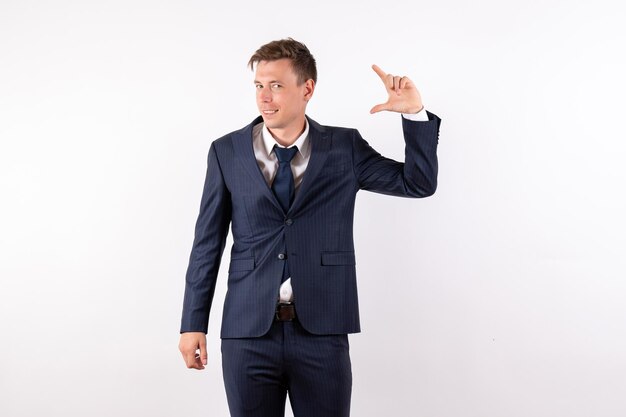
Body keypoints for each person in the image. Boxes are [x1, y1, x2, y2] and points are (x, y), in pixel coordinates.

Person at [178, 38, 441, 417]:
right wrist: (192, 323)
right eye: (258, 86)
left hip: (322, 332)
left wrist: (414, 114)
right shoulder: (226, 151)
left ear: (307, 89)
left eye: (276, 86)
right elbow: (207, 244)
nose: (264, 97)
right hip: (248, 334)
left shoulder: (344, 147)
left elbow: (417, 184)